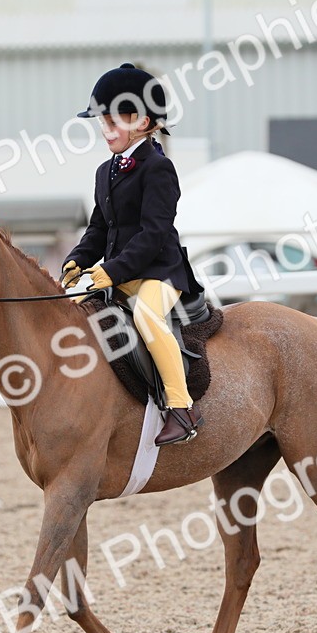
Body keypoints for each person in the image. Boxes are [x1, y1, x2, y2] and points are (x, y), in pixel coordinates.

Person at [61, 63, 206, 446]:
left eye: (112, 122)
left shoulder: (158, 169)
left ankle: (182, 408)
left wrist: (111, 271)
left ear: (142, 122)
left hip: (160, 272)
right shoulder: (104, 171)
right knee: (71, 310)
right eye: (102, 122)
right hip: (120, 273)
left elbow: (153, 234)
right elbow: (99, 229)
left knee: (146, 316)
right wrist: (77, 260)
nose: (105, 130)